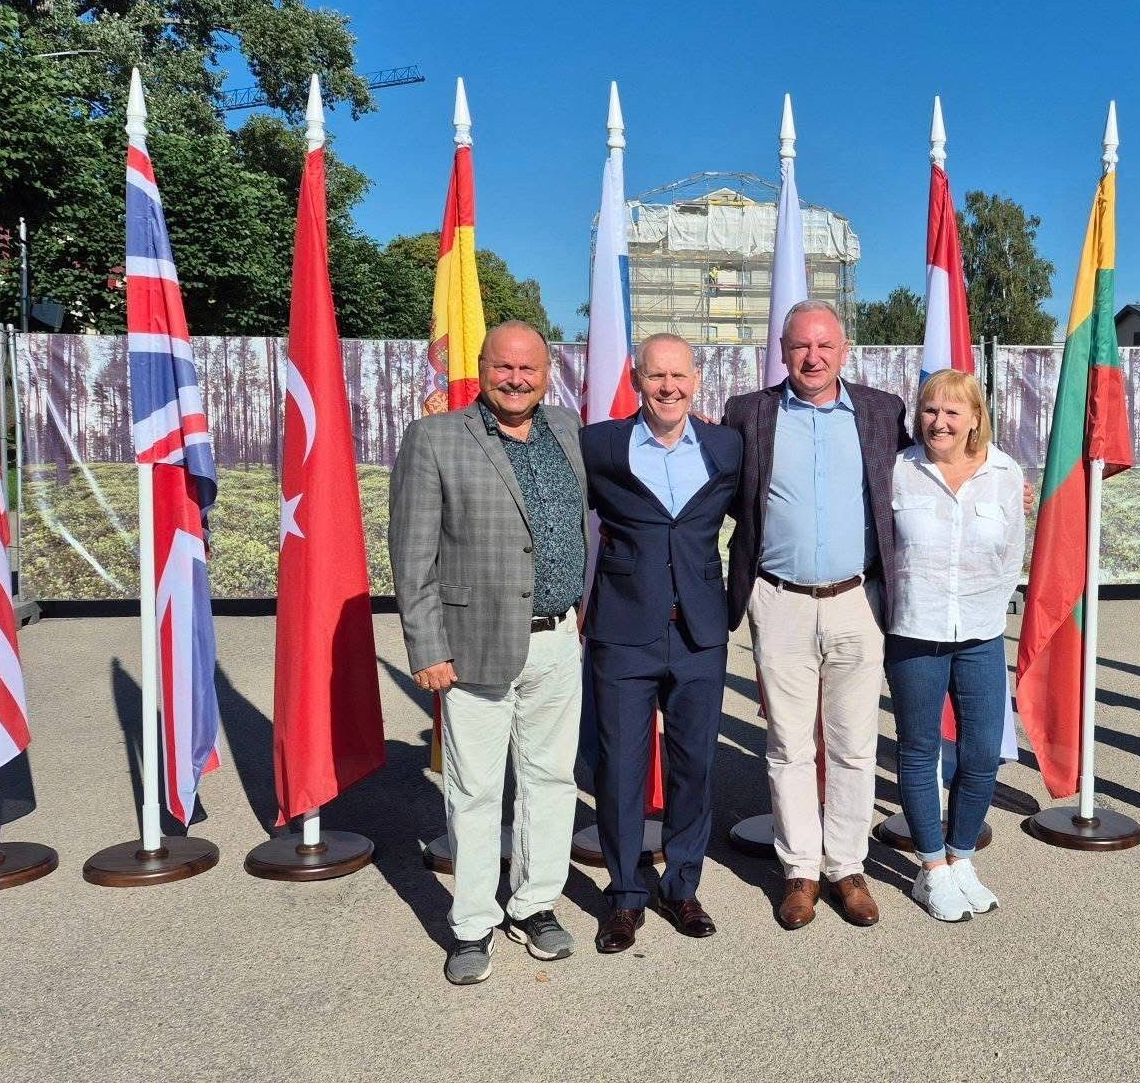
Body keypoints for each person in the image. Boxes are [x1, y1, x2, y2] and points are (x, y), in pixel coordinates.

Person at [390, 321, 587, 985]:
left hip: (557, 641)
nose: (515, 378)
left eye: (528, 368)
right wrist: (426, 644)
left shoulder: (567, 429)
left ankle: (534, 904)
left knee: (550, 781)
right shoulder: (436, 437)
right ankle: (472, 923)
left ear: (546, 371)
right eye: (503, 367)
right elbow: (412, 553)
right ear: (482, 367)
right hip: (471, 648)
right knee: (475, 792)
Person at [722, 299, 909, 930]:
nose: (813, 357)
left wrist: (995, 478)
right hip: (778, 600)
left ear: (844, 350)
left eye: (825, 346)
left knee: (855, 745)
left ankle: (846, 867)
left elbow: (926, 471)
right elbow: (722, 492)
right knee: (788, 744)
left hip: (857, 599)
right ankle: (799, 870)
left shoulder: (884, 411)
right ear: (782, 350)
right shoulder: (749, 413)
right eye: (801, 346)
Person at [579, 333, 743, 954]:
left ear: (696, 379)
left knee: (694, 763)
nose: (668, 387)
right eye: (656, 376)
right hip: (624, 630)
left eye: (678, 375)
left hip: (700, 631)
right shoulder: (601, 445)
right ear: (637, 379)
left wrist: (741, 599)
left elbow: (753, 520)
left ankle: (682, 884)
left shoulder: (727, 447)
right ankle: (624, 896)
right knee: (620, 766)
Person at [883, 368, 1025, 921]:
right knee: (919, 752)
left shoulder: (1005, 474)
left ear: (974, 419)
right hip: (916, 632)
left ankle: (962, 857)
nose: (938, 422)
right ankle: (932, 869)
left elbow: (1011, 554)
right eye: (929, 410)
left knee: (983, 751)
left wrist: (990, 611)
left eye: (951, 412)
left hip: (981, 634)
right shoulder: (897, 472)